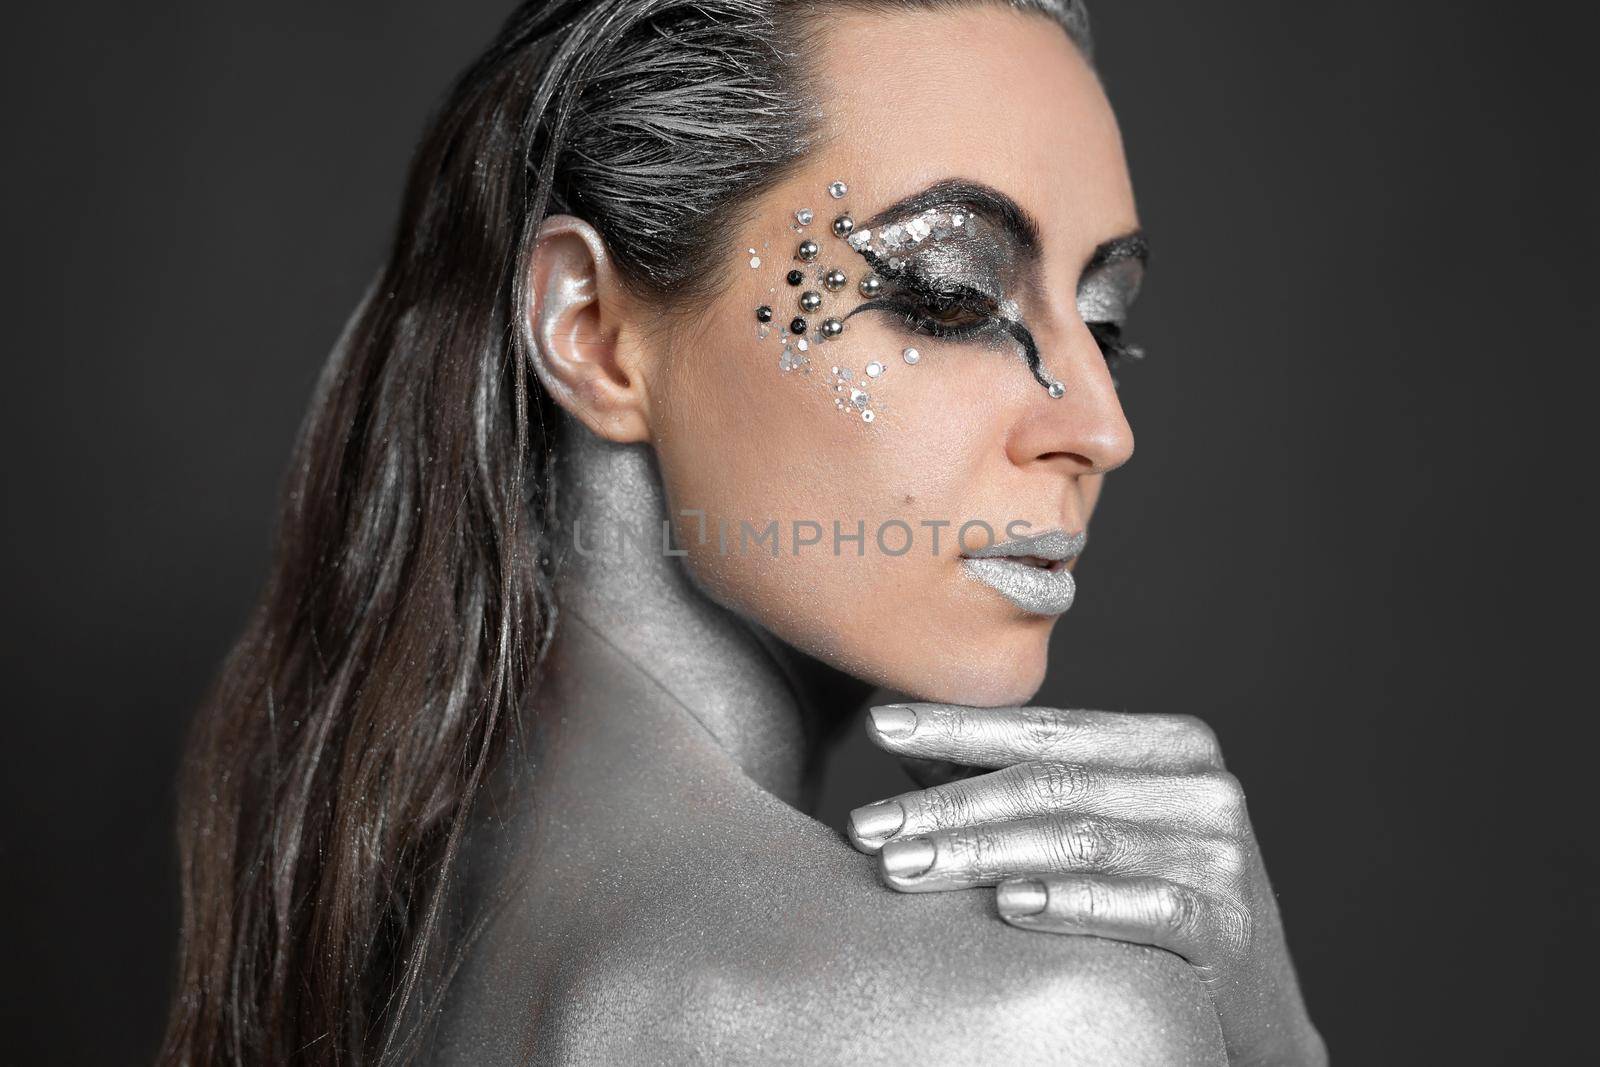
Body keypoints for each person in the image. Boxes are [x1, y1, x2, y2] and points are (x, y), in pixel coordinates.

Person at [161, 1, 1325, 1062]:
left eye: (1104, 322)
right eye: (949, 296)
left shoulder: (392, 919)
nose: (1100, 428)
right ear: (595, 332)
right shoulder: (1030, 1019)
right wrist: (1268, 1040)